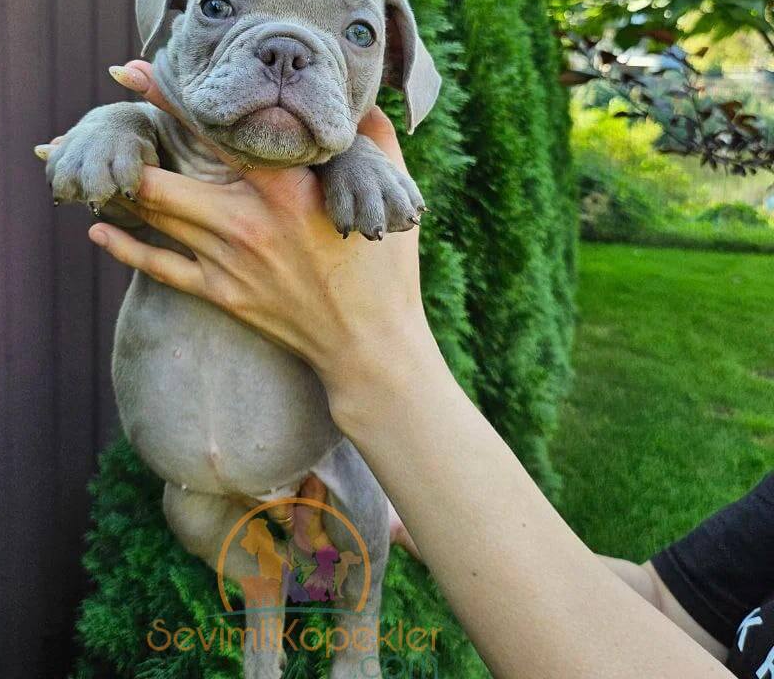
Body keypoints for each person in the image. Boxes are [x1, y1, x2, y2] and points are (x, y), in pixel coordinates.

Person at [57, 60, 773, 679]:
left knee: (347, 532)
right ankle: (266, 620)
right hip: (204, 484)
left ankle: (351, 641)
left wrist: (375, 348)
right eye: (217, 8)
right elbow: (658, 604)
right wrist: (426, 506)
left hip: (306, 452)